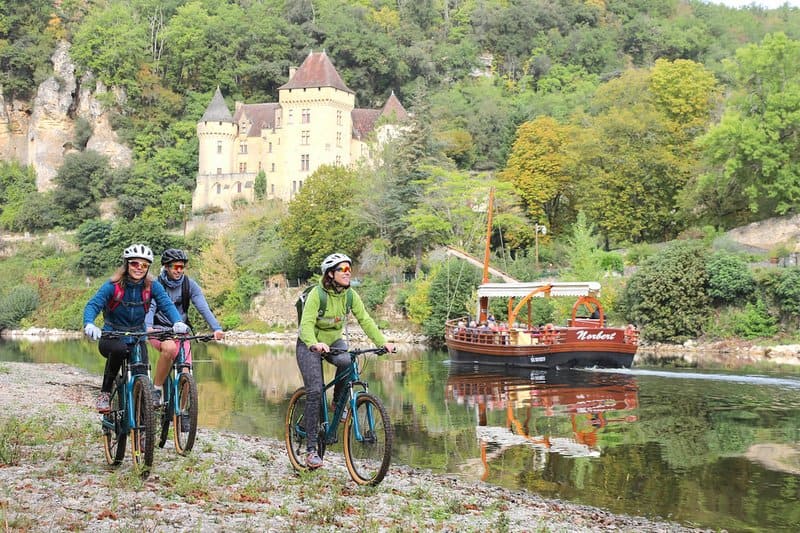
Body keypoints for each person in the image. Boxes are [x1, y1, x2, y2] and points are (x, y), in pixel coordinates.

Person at [296, 253, 395, 469]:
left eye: (350, 269)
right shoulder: (317, 295)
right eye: (343, 269)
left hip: (333, 341)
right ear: (331, 274)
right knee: (315, 391)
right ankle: (311, 450)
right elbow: (306, 325)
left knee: (348, 361)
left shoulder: (350, 295)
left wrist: (382, 342)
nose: (348, 273)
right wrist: (314, 343)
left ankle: (337, 403)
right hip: (309, 344)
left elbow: (365, 320)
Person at [83, 244, 188, 413]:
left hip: (137, 336)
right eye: (134, 264)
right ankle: (105, 394)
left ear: (148, 268)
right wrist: (89, 323)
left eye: (144, 265)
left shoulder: (152, 286)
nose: (139, 268)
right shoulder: (113, 286)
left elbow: (166, 304)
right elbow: (93, 305)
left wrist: (177, 321)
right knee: (119, 350)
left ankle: (142, 419)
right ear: (127, 264)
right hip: (112, 336)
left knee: (142, 375)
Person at [145, 248, 225, 405]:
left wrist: (216, 328)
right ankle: (157, 389)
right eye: (176, 267)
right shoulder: (156, 285)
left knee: (186, 372)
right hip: (159, 330)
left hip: (181, 332)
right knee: (169, 349)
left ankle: (181, 412)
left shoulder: (189, 285)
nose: (179, 270)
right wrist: (148, 327)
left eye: (182, 267)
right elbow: (151, 307)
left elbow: (203, 307)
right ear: (166, 267)